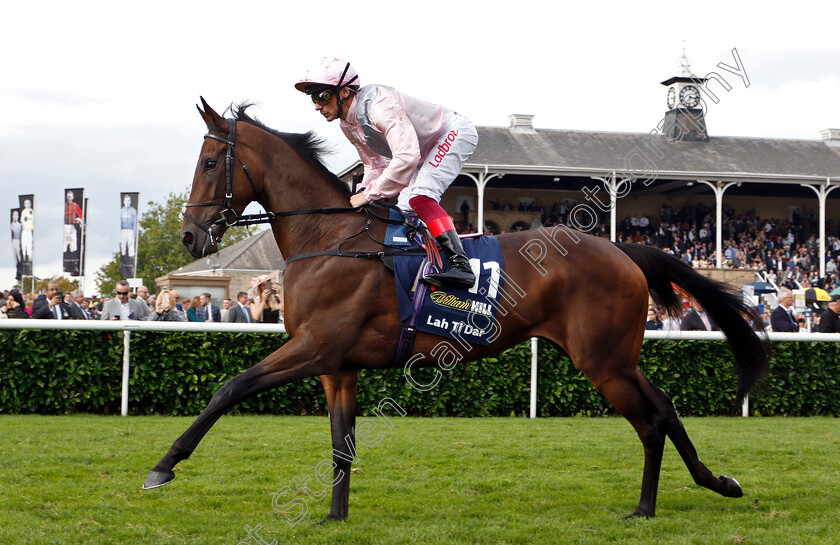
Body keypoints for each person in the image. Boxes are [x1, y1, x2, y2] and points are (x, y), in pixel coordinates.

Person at [295, 57, 478, 288]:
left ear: (344, 92)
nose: (317, 106)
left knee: (420, 197)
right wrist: (362, 192)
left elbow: (406, 156)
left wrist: (370, 195)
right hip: (420, 148)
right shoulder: (347, 125)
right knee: (403, 211)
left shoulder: (379, 106)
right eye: (313, 98)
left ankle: (461, 266)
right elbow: (374, 165)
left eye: (322, 96)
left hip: (451, 133)